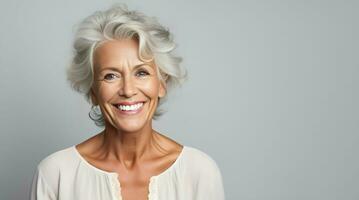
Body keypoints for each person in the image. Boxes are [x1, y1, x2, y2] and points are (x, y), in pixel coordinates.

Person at [29, 4, 225, 200]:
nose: (128, 90)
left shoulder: (199, 173)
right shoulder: (56, 175)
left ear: (161, 84)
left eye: (141, 73)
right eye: (111, 76)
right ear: (93, 92)